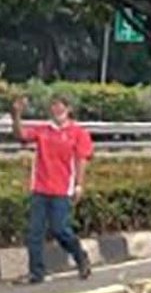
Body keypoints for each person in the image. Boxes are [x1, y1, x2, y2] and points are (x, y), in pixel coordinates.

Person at [8, 95, 93, 283]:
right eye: (53, 106)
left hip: (62, 190)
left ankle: (80, 256)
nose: (57, 110)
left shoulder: (78, 133)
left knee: (60, 229)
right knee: (34, 232)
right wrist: (16, 116)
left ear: (68, 109)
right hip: (40, 188)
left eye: (60, 106)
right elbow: (21, 136)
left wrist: (79, 185)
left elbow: (81, 160)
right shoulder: (43, 130)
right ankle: (36, 272)